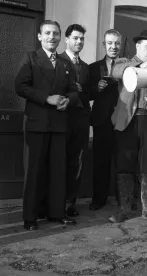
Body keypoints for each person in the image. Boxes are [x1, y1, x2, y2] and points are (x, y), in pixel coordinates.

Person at [15, 20, 78, 231]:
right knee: (34, 172)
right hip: (37, 123)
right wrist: (46, 98)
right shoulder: (31, 58)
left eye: (56, 33)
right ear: (40, 37)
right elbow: (20, 86)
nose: (52, 37)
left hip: (59, 124)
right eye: (48, 33)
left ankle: (56, 213)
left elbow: (74, 90)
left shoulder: (65, 63)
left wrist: (68, 100)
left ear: (60, 37)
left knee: (57, 171)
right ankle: (30, 217)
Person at [109, 30, 147, 224]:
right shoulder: (123, 62)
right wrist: (140, 65)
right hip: (128, 122)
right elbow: (116, 73)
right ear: (138, 47)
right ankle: (124, 210)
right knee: (125, 164)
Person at [60, 24, 91, 217]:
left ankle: (69, 203)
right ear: (67, 39)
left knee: (76, 162)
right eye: (75, 38)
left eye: (81, 39)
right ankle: (54, 202)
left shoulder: (86, 67)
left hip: (81, 121)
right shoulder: (58, 61)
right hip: (61, 119)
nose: (79, 42)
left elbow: (87, 94)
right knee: (58, 160)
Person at [89, 29, 121, 210]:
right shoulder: (94, 67)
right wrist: (96, 89)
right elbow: (86, 93)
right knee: (100, 161)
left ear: (121, 45)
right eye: (110, 43)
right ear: (104, 45)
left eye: (116, 43)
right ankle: (98, 199)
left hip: (123, 119)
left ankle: (122, 199)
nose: (113, 47)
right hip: (102, 120)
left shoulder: (127, 66)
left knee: (122, 160)